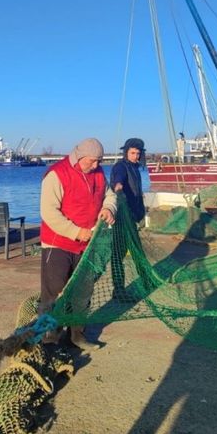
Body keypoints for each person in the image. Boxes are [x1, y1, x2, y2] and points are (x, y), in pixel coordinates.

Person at [39, 138, 116, 350]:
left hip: (87, 246)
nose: (96, 166)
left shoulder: (99, 174)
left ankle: (77, 336)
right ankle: (49, 339)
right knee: (54, 293)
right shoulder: (56, 174)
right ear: (80, 157)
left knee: (83, 292)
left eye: (99, 162)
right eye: (92, 161)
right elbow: (48, 213)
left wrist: (109, 209)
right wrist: (75, 232)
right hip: (58, 245)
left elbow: (110, 195)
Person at [110, 137, 147, 224]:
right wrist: (118, 184)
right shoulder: (120, 166)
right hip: (125, 212)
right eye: (132, 153)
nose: (135, 156)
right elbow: (119, 176)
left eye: (138, 153)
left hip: (136, 210)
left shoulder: (135, 167)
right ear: (126, 152)